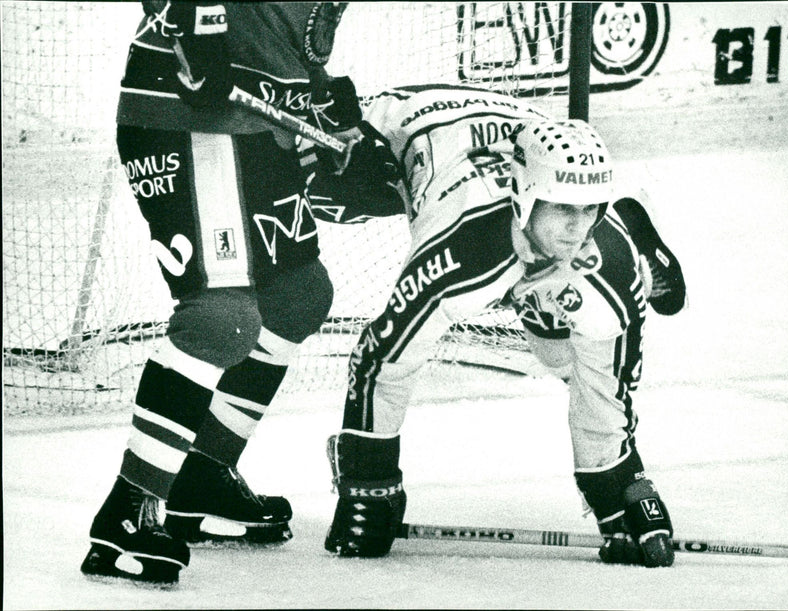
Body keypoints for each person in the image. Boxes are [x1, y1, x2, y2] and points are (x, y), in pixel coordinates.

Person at [310, 84, 687, 568]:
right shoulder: (460, 250)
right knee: (310, 187)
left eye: (591, 208)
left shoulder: (608, 265)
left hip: (515, 128)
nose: (579, 228)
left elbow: (604, 388)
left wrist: (615, 481)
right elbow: (381, 356)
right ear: (527, 196)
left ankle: (627, 225)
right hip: (404, 124)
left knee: (559, 353)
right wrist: (370, 482)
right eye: (563, 208)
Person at [81, 1, 369, 584]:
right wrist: (198, 23)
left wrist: (323, 98)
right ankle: (127, 512)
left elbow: (304, 32)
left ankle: (204, 473)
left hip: (259, 125)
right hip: (188, 112)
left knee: (299, 295)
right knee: (220, 319)